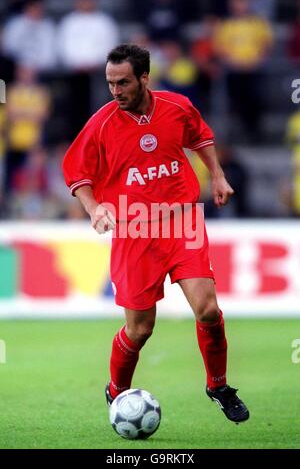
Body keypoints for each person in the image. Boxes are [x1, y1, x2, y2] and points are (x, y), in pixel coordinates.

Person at [62, 44, 250, 424]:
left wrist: (216, 175)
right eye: (110, 83)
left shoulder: (176, 106)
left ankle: (218, 385)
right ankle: (117, 391)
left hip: (182, 221)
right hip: (133, 230)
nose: (115, 91)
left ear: (145, 78)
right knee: (139, 329)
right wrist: (94, 207)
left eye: (123, 82)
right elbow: (77, 173)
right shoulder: (101, 123)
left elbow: (200, 136)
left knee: (209, 310)